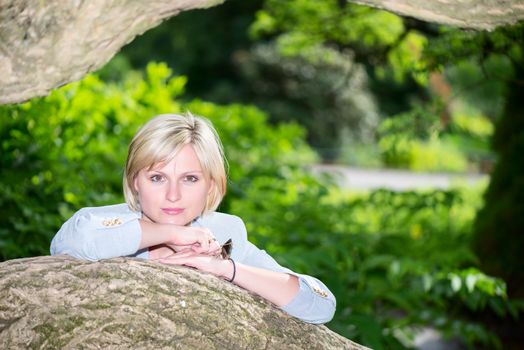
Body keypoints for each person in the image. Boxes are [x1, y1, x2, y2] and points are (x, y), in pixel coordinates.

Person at [50, 113, 335, 324]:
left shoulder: (223, 233)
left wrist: (225, 269)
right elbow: (74, 243)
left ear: (210, 185)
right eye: (157, 177)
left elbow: (321, 303)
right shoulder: (100, 223)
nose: (173, 195)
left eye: (189, 178)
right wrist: (171, 234)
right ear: (135, 181)